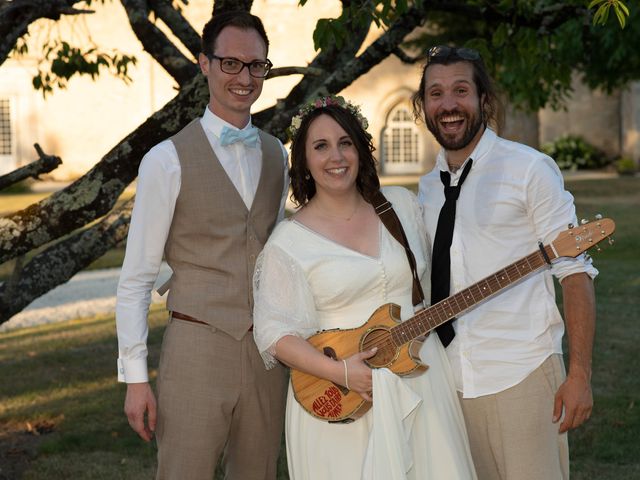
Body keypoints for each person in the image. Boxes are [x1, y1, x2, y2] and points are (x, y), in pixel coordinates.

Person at [252, 95, 477, 479]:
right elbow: (275, 334)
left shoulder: (401, 207)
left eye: (345, 143)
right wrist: (341, 373)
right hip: (343, 394)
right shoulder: (288, 242)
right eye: (320, 146)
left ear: (360, 149)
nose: (336, 157)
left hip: (422, 377)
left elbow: (434, 282)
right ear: (304, 161)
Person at [115, 11, 288, 479]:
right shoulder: (165, 160)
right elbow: (135, 279)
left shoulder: (278, 154)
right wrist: (135, 380)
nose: (244, 77)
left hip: (269, 355)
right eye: (230, 63)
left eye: (256, 65)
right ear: (204, 64)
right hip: (196, 348)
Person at [414, 45, 598, 480]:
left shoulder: (530, 170)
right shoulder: (425, 190)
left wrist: (580, 375)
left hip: (521, 375)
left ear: (484, 101)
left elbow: (574, 274)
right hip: (449, 384)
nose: (449, 105)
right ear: (423, 107)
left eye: (461, 90)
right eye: (435, 93)